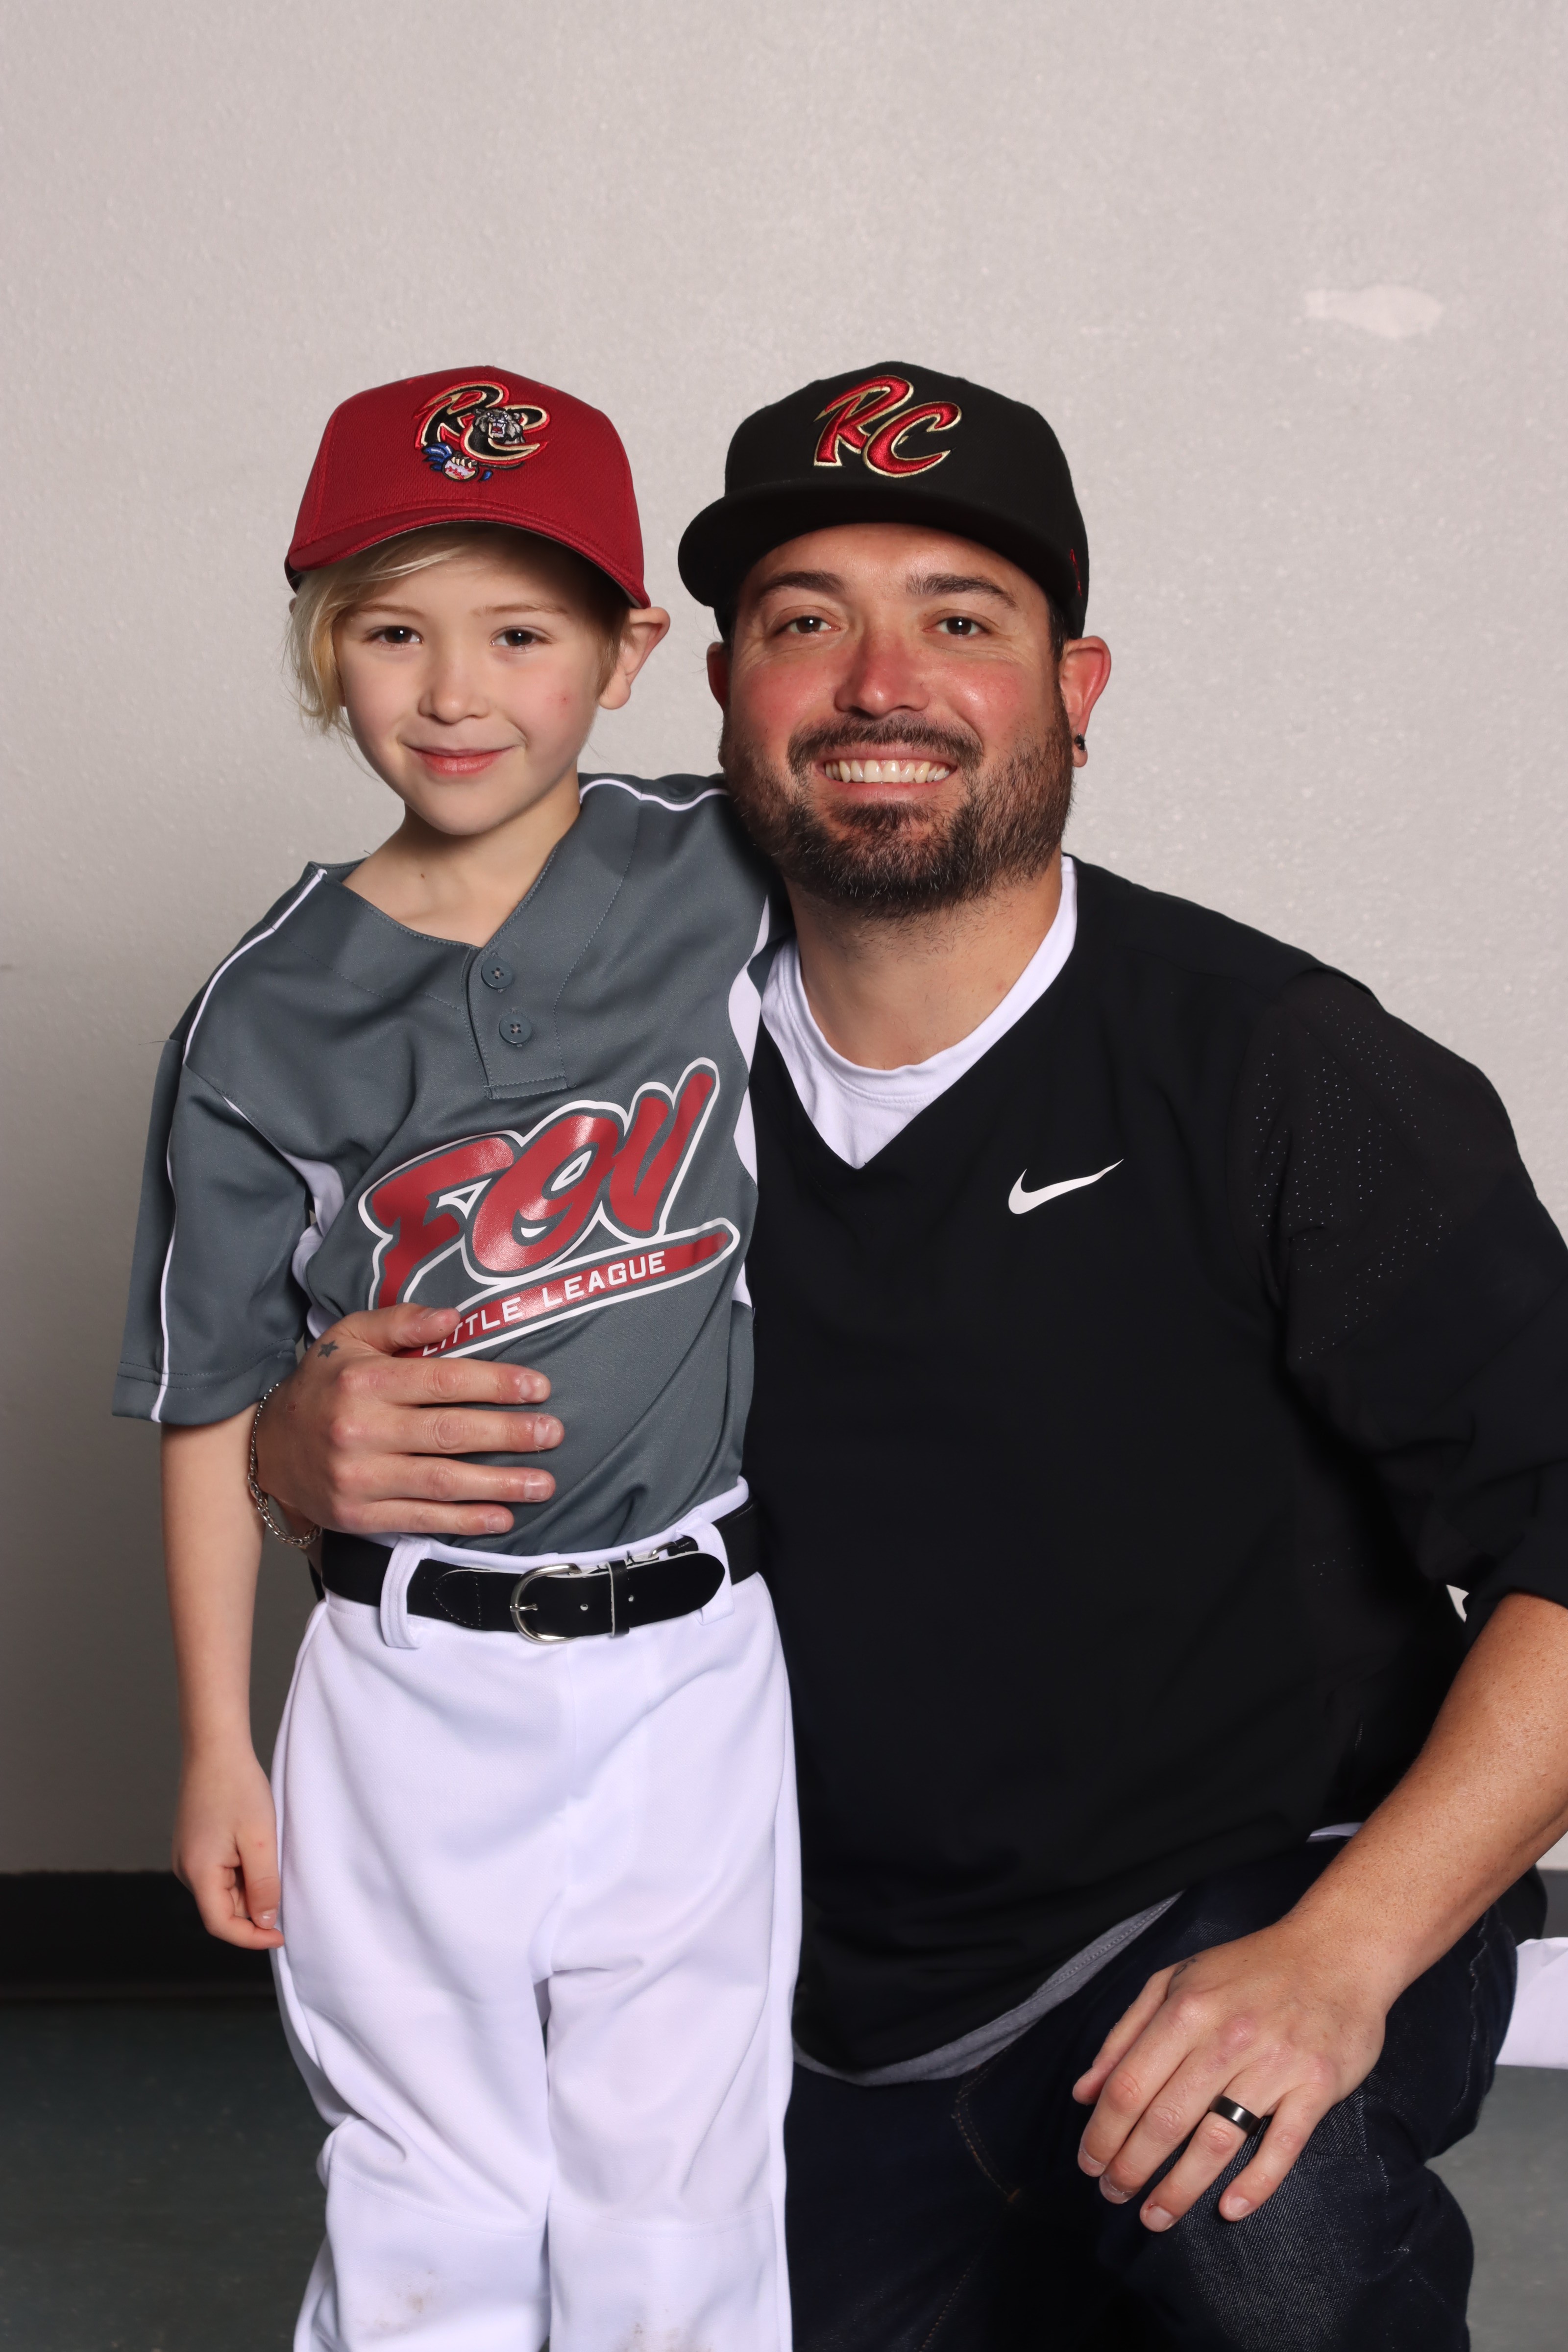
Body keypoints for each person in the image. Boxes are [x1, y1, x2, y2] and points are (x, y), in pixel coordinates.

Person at [250, 363, 1568, 2352]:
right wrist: (292, 1455)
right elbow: (443, 1502)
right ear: (721, 692)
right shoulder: (591, 1080)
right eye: (807, 621)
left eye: (960, 618)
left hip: (1229, 1902)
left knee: (1256, 2218)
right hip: (808, 1976)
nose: (881, 683)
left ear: (1075, 691)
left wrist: (1339, 1957)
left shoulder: (1277, 1069)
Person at [114, 367, 799, 2352]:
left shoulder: (720, 862)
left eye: (520, 634)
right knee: (433, 2189)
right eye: (392, 632)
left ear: (628, 654)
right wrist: (216, 1742)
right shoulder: (265, 1011)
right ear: (322, 652)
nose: (453, 691)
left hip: (695, 1652)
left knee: (682, 2183)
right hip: (410, 1666)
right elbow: (206, 1398)